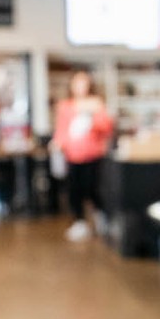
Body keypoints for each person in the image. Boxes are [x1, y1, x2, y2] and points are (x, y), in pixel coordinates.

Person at [54, 70, 114, 242]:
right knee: (74, 191)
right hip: (72, 156)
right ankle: (80, 222)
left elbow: (107, 127)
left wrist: (92, 122)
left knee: (93, 188)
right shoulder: (66, 106)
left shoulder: (96, 104)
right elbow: (62, 130)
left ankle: (101, 218)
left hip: (93, 155)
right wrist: (58, 143)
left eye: (84, 82)